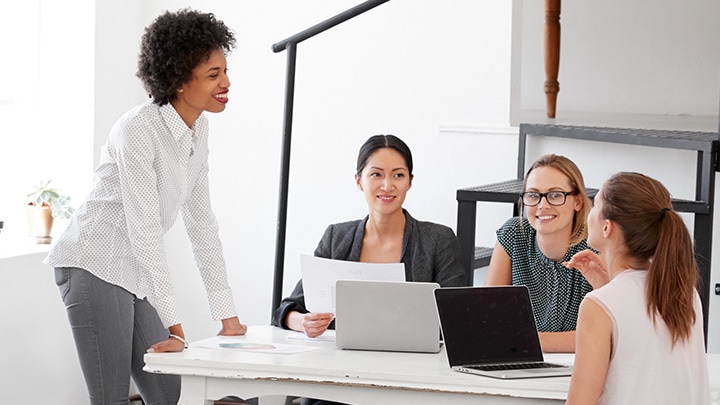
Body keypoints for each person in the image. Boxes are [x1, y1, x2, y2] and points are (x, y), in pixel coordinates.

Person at [44, 9, 247, 404]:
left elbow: (202, 224)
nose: (226, 83)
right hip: (93, 262)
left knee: (166, 390)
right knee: (111, 396)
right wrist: (177, 327)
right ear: (180, 79)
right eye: (212, 75)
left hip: (134, 271)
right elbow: (145, 230)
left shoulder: (198, 129)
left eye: (224, 71)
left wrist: (228, 317)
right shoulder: (137, 128)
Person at [273, 134, 467, 338]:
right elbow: (288, 309)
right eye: (376, 174)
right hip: (343, 360)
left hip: (412, 361)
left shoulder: (438, 240)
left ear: (410, 181)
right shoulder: (336, 238)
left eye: (398, 175)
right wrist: (302, 322)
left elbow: (458, 316)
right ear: (359, 181)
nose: (387, 186)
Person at [565, 172, 709, 403]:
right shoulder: (684, 293)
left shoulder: (599, 306)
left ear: (606, 228)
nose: (589, 212)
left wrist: (606, 295)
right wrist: (608, 287)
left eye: (596, 204)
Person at [484, 154, 594, 353]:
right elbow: (489, 320)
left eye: (555, 195)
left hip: (578, 364)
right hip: (520, 358)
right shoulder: (514, 234)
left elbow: (602, 336)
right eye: (533, 195)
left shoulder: (593, 248)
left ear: (577, 201)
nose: (542, 205)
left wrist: (524, 339)